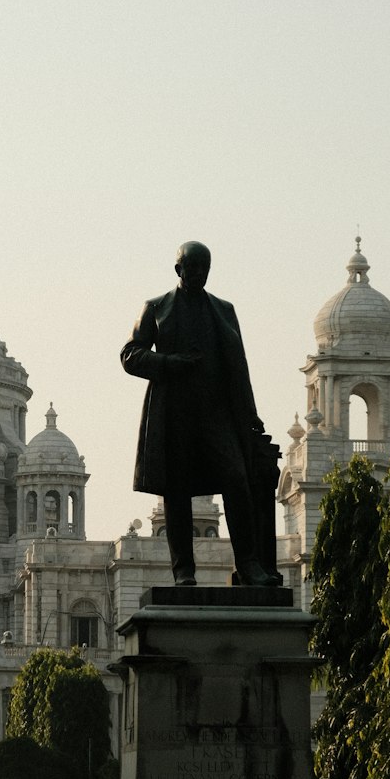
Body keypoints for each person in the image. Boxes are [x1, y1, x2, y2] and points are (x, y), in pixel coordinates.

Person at [121, 241, 280, 588]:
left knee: (237, 481)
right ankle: (183, 571)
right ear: (178, 269)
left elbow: (239, 367)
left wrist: (250, 413)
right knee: (177, 492)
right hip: (174, 415)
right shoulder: (156, 308)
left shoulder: (223, 310)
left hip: (217, 414)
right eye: (191, 268)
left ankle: (249, 565)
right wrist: (168, 363)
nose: (197, 275)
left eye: (203, 269)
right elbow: (130, 355)